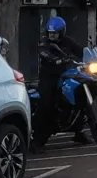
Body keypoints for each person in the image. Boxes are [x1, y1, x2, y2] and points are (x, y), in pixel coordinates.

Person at [32, 16, 86, 153]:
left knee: (80, 95)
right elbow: (44, 52)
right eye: (50, 33)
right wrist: (55, 59)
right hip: (49, 77)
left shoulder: (67, 41)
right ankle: (37, 141)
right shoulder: (44, 43)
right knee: (47, 104)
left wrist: (92, 53)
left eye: (55, 33)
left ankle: (79, 132)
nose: (52, 35)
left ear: (62, 32)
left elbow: (80, 51)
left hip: (66, 74)